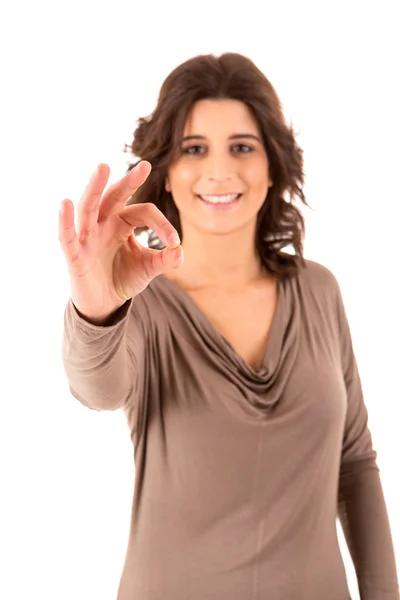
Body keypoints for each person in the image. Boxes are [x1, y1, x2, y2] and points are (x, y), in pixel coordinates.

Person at [59, 53, 399, 600]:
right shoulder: (142, 306)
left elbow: (355, 462)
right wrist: (96, 309)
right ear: (167, 170)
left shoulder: (318, 291)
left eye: (242, 146)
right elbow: (96, 389)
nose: (220, 171)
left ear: (272, 166)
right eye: (194, 149)